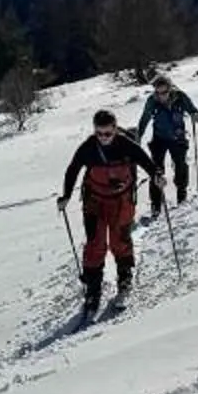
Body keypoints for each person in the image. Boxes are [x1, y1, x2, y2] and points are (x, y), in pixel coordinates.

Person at [57, 109, 147, 315]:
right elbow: (73, 169)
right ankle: (93, 289)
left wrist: (157, 174)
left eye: (107, 133)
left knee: (120, 241)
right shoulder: (89, 147)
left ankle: (124, 281)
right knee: (95, 244)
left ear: (115, 129)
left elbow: (144, 159)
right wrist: (66, 195)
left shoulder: (125, 144)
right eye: (99, 133)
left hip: (122, 201)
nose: (103, 137)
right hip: (95, 201)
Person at [142, 75, 198, 214]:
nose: (161, 96)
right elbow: (144, 118)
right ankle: (156, 204)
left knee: (180, 165)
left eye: (164, 92)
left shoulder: (180, 97)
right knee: (156, 170)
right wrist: (139, 135)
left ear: (170, 89)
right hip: (159, 139)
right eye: (158, 92)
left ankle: (182, 195)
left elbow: (192, 109)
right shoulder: (152, 101)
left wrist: (195, 115)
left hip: (177, 137)